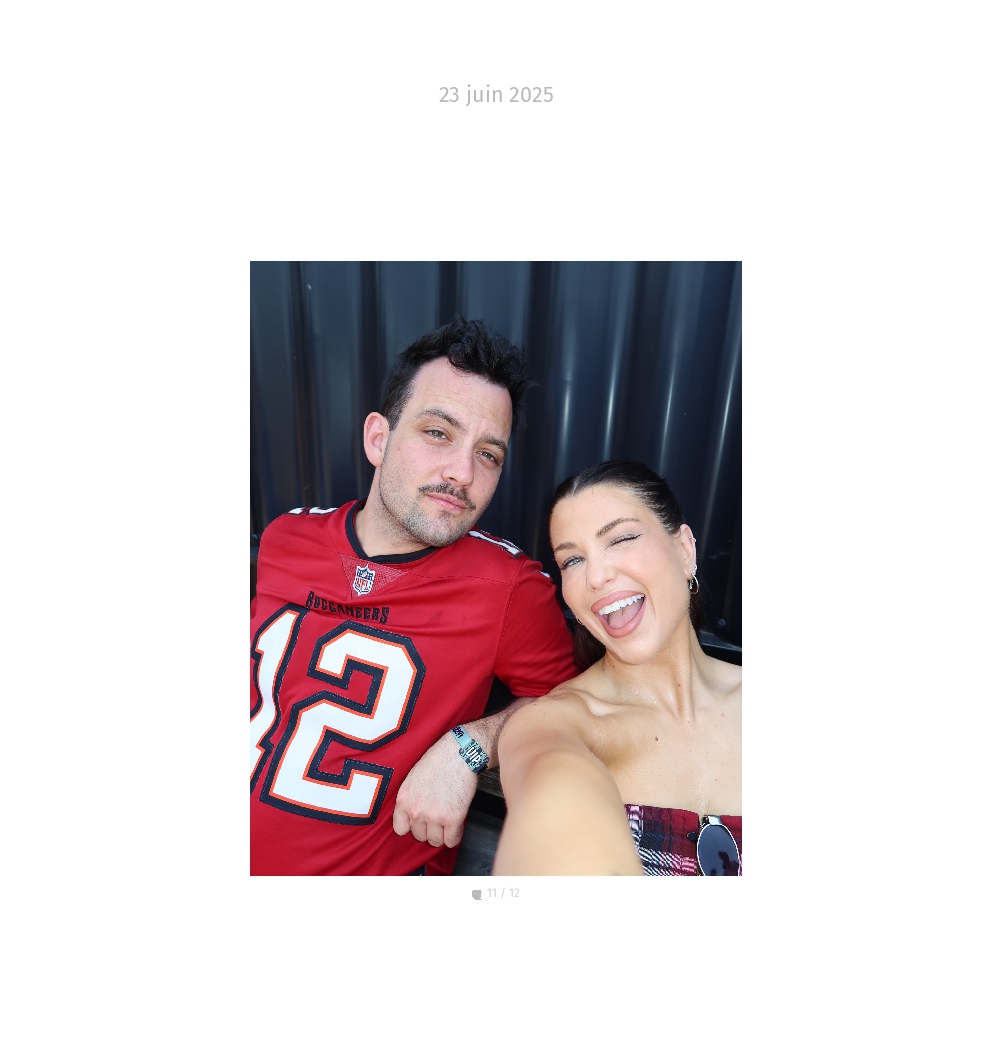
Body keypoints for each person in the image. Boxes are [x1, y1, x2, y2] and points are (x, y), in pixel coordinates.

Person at [251, 316, 577, 875]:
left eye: (488, 454)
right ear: (378, 439)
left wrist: (472, 745)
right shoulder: (287, 538)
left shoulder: (507, 588)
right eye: (438, 433)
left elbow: (578, 702)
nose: (462, 473)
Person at [492, 462, 742, 876]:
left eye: (621, 539)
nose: (596, 576)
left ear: (684, 550)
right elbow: (551, 800)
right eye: (572, 560)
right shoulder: (555, 724)